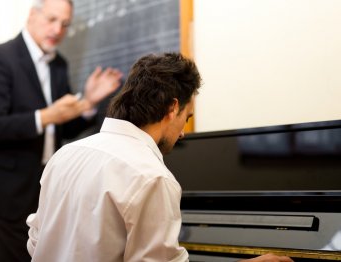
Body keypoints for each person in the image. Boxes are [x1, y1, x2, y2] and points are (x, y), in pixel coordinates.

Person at [26, 53, 293, 262]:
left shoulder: (65, 155)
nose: (183, 133)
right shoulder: (151, 176)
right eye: (186, 119)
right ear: (172, 108)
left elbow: (36, 241)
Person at [0, 0, 123, 261]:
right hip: (4, 192)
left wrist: (89, 103)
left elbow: (62, 128)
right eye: (51, 19)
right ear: (32, 15)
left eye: (64, 24)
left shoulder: (58, 63)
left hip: (43, 189)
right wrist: (48, 115)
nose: (57, 29)